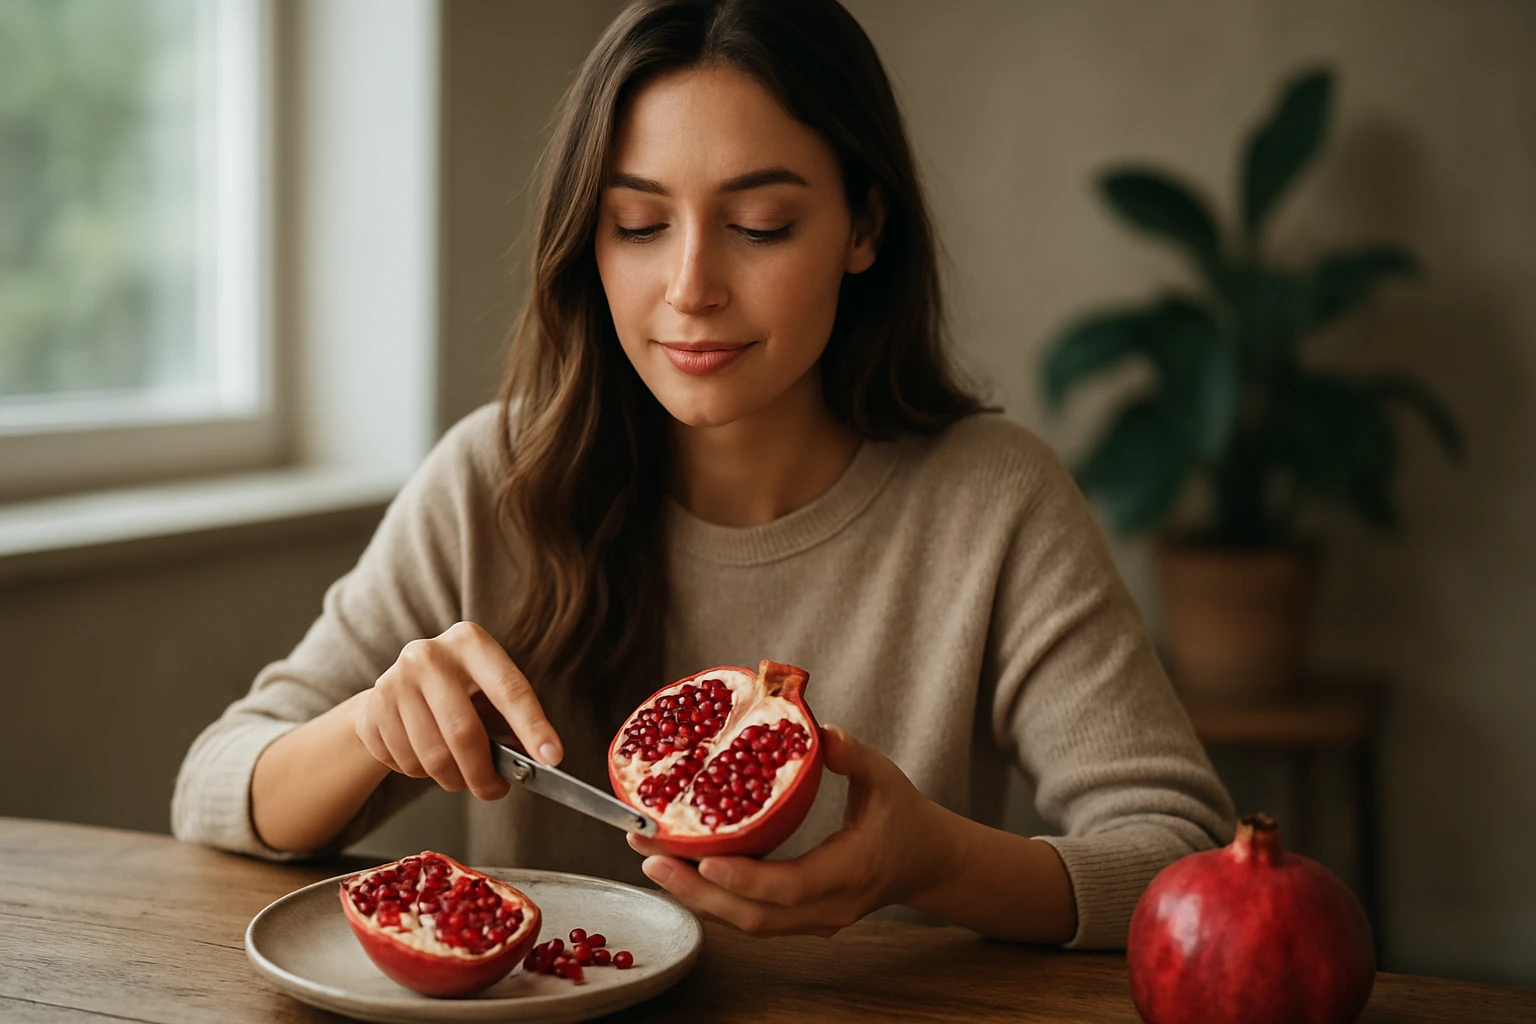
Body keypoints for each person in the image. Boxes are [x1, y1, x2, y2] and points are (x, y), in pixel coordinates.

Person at [173, 0, 1233, 949]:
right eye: (637, 225)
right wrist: (369, 727)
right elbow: (215, 788)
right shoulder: (491, 479)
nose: (689, 288)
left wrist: (936, 863)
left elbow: (1180, 854)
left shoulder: (994, 500)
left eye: (758, 225)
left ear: (864, 225)